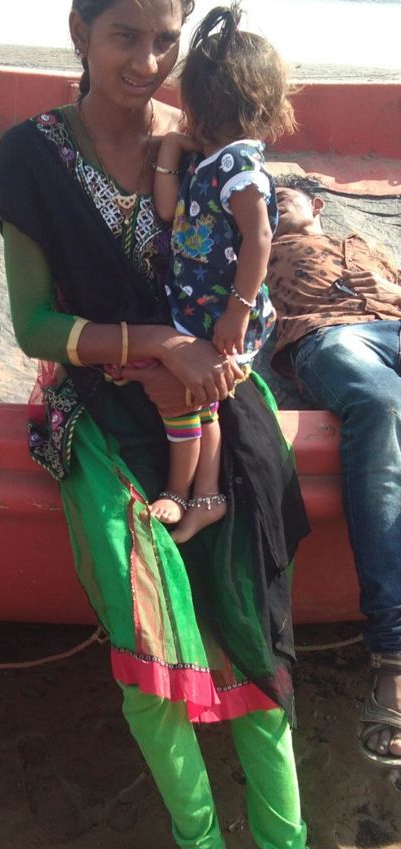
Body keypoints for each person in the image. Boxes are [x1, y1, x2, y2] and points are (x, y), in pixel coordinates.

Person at [0, 2, 310, 846]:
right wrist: (160, 342)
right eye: (125, 35)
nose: (148, 61)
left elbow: (246, 260)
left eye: (166, 40)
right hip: (104, 404)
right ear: (79, 33)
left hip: (215, 403)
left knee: (249, 621)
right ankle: (198, 838)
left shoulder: (200, 138)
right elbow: (34, 327)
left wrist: (222, 352)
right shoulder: (34, 156)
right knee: (147, 624)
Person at [147, 3, 295, 543]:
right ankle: (204, 497)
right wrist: (171, 148)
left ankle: (182, 491)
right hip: (199, 309)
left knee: (192, 404)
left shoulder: (238, 165)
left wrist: (238, 310)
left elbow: (259, 238)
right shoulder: (212, 159)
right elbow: (168, 210)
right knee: (201, 406)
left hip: (223, 315)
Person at [267, 175, 401, 768]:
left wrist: (392, 292)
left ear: (317, 205)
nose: (270, 207)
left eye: (282, 199)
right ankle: (394, 656)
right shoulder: (256, 250)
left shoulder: (370, 248)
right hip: (332, 335)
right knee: (379, 405)